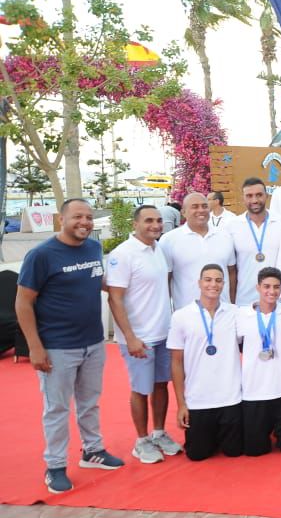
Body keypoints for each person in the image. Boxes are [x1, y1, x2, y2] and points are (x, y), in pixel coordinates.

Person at [16, 198, 123, 493]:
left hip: (94, 342)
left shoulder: (93, 248)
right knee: (57, 409)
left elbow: (99, 283)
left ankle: (93, 451)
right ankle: (55, 466)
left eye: (88, 217)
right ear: (61, 219)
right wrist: (34, 347)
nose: (84, 222)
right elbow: (23, 302)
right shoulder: (41, 255)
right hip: (58, 347)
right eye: (77, 217)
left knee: (89, 403)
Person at [106, 204, 182, 464]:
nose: (155, 225)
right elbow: (114, 298)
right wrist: (130, 337)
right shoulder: (123, 254)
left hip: (163, 333)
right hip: (139, 338)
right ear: (135, 224)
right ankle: (141, 441)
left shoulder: (159, 249)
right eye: (149, 220)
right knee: (140, 389)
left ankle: (159, 433)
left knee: (161, 385)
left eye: (159, 220)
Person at [167, 263, 243, 461]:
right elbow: (176, 362)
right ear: (199, 283)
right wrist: (181, 404)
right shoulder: (181, 316)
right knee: (197, 454)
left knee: (234, 452)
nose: (213, 285)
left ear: (224, 284)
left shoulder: (235, 313)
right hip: (198, 400)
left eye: (218, 281)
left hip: (231, 399)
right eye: (208, 280)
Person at [236, 267, 281, 456]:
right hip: (254, 391)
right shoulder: (241, 315)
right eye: (267, 286)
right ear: (258, 287)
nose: (272, 291)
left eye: (276, 287)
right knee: (255, 451)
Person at [160, 192, 237, 309]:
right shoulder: (169, 240)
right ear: (183, 212)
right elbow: (165, 280)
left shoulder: (225, 236)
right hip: (186, 312)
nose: (201, 210)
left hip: (222, 311)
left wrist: (232, 305)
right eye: (195, 207)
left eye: (204, 206)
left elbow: (232, 273)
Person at [226, 177, 281, 307]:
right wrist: (231, 300)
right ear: (243, 198)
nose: (254, 200)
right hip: (245, 300)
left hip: (278, 299)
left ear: (266, 196)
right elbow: (230, 268)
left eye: (259, 195)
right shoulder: (232, 226)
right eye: (249, 196)